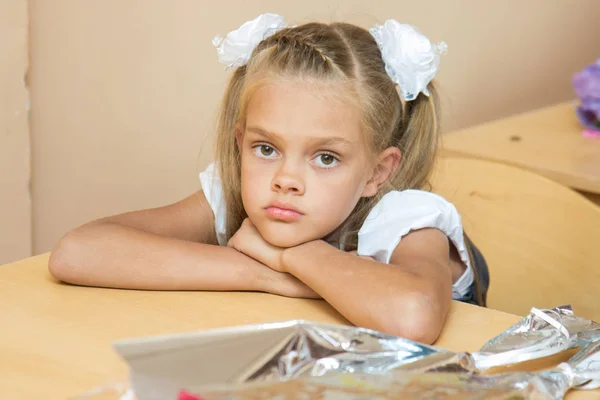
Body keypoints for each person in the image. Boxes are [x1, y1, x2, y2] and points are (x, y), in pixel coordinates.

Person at [49, 14, 489, 344]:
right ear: (240, 144)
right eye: (266, 149)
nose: (286, 179)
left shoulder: (406, 218)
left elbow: (413, 317)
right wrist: (269, 275)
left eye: (325, 157)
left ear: (377, 172)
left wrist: (289, 256)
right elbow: (77, 252)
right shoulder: (238, 192)